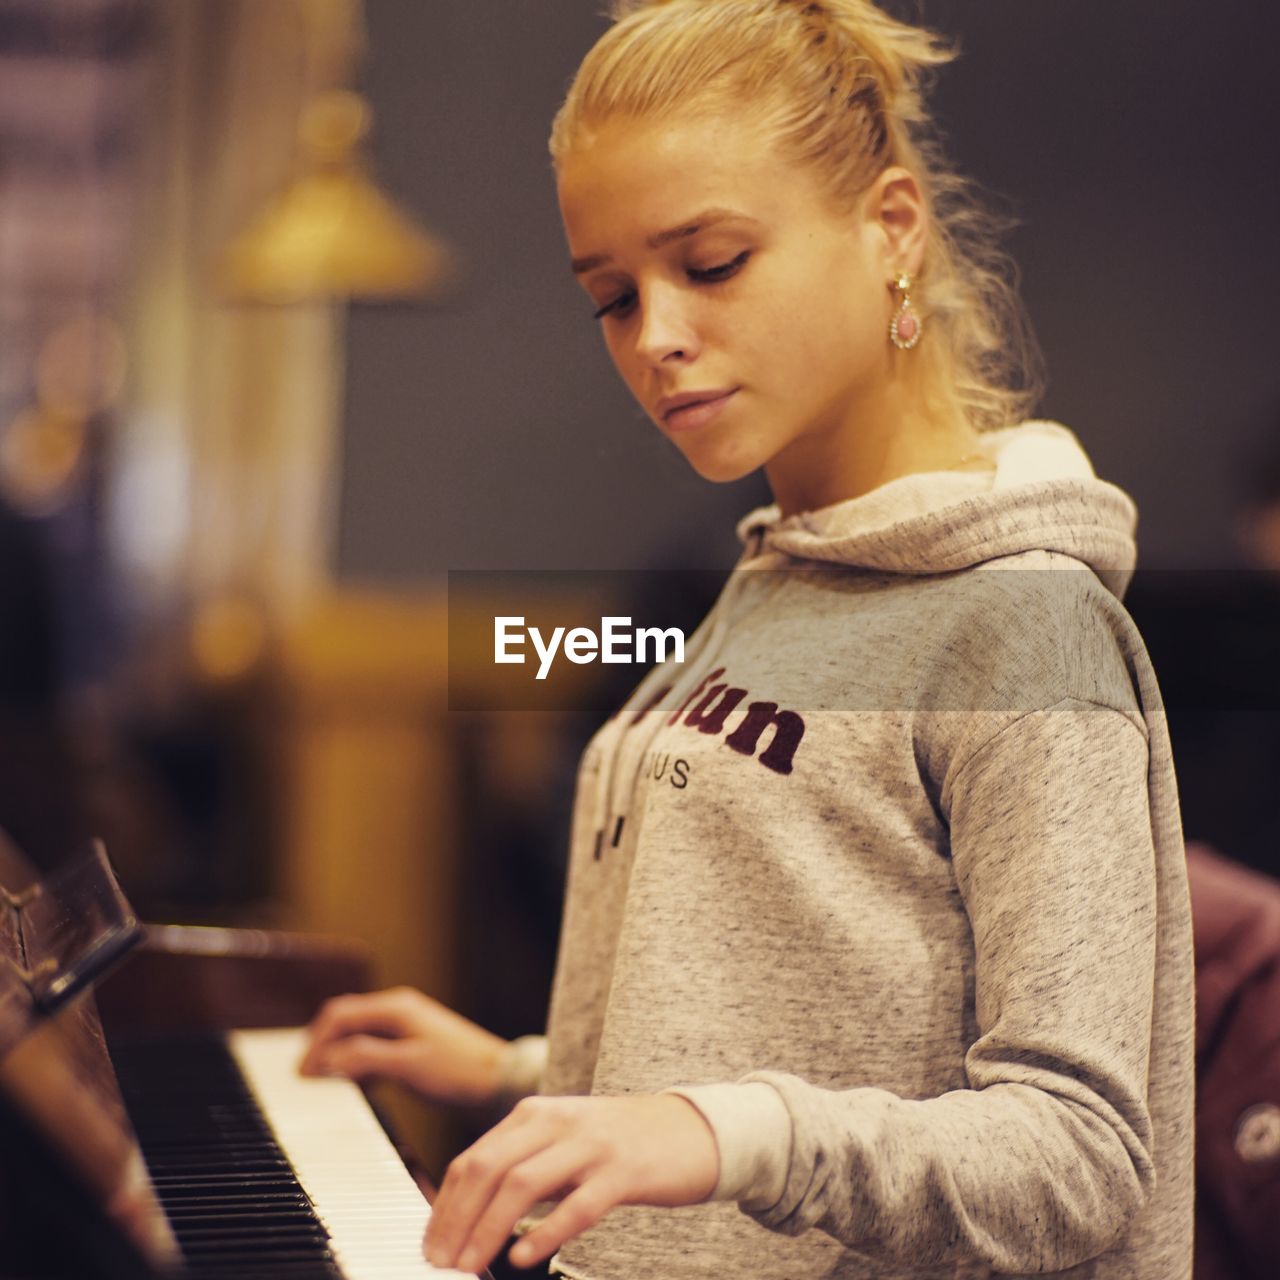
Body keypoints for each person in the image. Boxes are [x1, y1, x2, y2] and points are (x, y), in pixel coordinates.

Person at [301, 2, 1195, 1276]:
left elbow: (1081, 1153)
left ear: (889, 229)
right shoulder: (776, 569)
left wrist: (718, 1131)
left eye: (709, 263)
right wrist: (524, 1070)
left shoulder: (1026, 625)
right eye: (609, 297)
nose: (655, 336)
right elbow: (815, 1031)